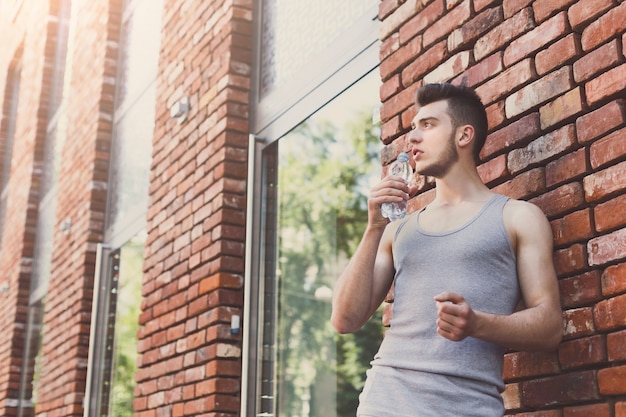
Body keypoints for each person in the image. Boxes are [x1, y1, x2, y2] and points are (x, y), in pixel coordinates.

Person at [330, 83, 563, 417]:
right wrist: (373, 228)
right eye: (413, 128)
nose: (412, 138)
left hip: (467, 408)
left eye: (428, 125)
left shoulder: (518, 217)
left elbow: (550, 326)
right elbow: (344, 319)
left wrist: (477, 324)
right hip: (383, 402)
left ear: (464, 135)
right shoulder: (397, 230)